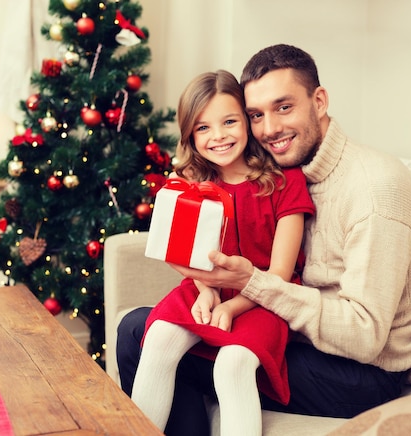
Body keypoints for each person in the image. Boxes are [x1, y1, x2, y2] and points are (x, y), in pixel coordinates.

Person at [117, 44, 411, 435]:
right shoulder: (290, 166)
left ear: (319, 100)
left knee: (138, 333)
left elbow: (364, 338)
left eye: (284, 107)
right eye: (256, 115)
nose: (269, 130)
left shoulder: (375, 191)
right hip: (296, 332)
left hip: (359, 372)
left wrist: (248, 289)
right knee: (147, 327)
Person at [130, 69, 315, 436]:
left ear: (247, 122)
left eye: (229, 121)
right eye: (203, 128)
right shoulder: (190, 186)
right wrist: (206, 290)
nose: (218, 136)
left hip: (264, 299)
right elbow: (179, 254)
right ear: (190, 134)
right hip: (208, 289)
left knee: (232, 364)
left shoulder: (285, 181)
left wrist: (231, 306)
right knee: (158, 340)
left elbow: (279, 274)